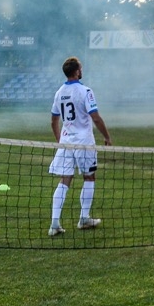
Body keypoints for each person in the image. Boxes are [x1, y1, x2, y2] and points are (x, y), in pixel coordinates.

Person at [48, 56, 112, 236]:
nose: (81, 71)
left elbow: (53, 121)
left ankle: (54, 224)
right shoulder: (86, 91)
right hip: (84, 143)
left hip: (67, 142)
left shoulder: (59, 92)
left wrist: (60, 139)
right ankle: (84, 218)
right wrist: (107, 136)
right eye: (80, 68)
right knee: (89, 177)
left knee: (64, 180)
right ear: (77, 71)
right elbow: (96, 118)